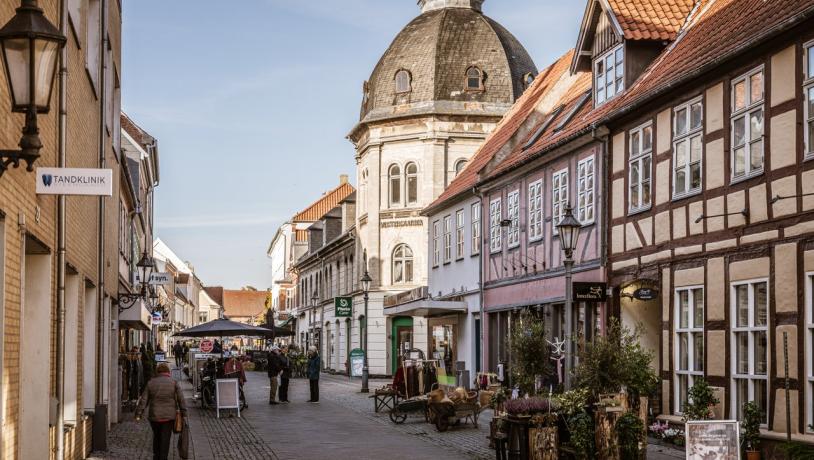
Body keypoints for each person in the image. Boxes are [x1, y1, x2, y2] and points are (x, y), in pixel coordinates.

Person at [136, 362, 186, 460]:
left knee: (157, 436)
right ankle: (163, 457)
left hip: (154, 416)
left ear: (157, 372)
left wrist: (138, 414)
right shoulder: (173, 382)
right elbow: (181, 399)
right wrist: (184, 413)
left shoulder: (151, 382)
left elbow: (143, 400)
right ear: (168, 372)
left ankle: (156, 456)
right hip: (169, 417)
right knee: (165, 439)